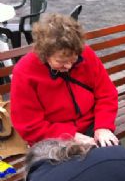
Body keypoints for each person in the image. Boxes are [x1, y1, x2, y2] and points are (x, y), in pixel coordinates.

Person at [10, 13, 119, 147]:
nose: (68, 66)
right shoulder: (25, 72)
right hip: (52, 137)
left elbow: (106, 94)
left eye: (73, 60)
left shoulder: (86, 54)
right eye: (61, 61)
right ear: (44, 54)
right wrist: (71, 135)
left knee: (115, 159)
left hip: (92, 125)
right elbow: (30, 126)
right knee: (73, 166)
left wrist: (103, 126)